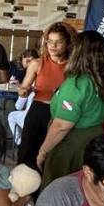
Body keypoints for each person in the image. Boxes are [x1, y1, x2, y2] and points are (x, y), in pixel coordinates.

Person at [37, 30, 104, 189]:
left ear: (77, 52)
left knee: (58, 188)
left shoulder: (77, 83)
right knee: (84, 187)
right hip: (94, 138)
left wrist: (43, 151)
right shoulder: (102, 80)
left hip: (71, 143)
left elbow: (62, 126)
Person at [16, 22, 74, 171]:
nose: (53, 46)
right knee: (27, 153)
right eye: (50, 41)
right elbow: (23, 88)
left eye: (58, 42)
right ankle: (22, 183)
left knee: (53, 156)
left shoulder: (73, 66)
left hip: (62, 114)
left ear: (67, 43)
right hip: (38, 110)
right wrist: (24, 91)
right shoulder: (37, 63)